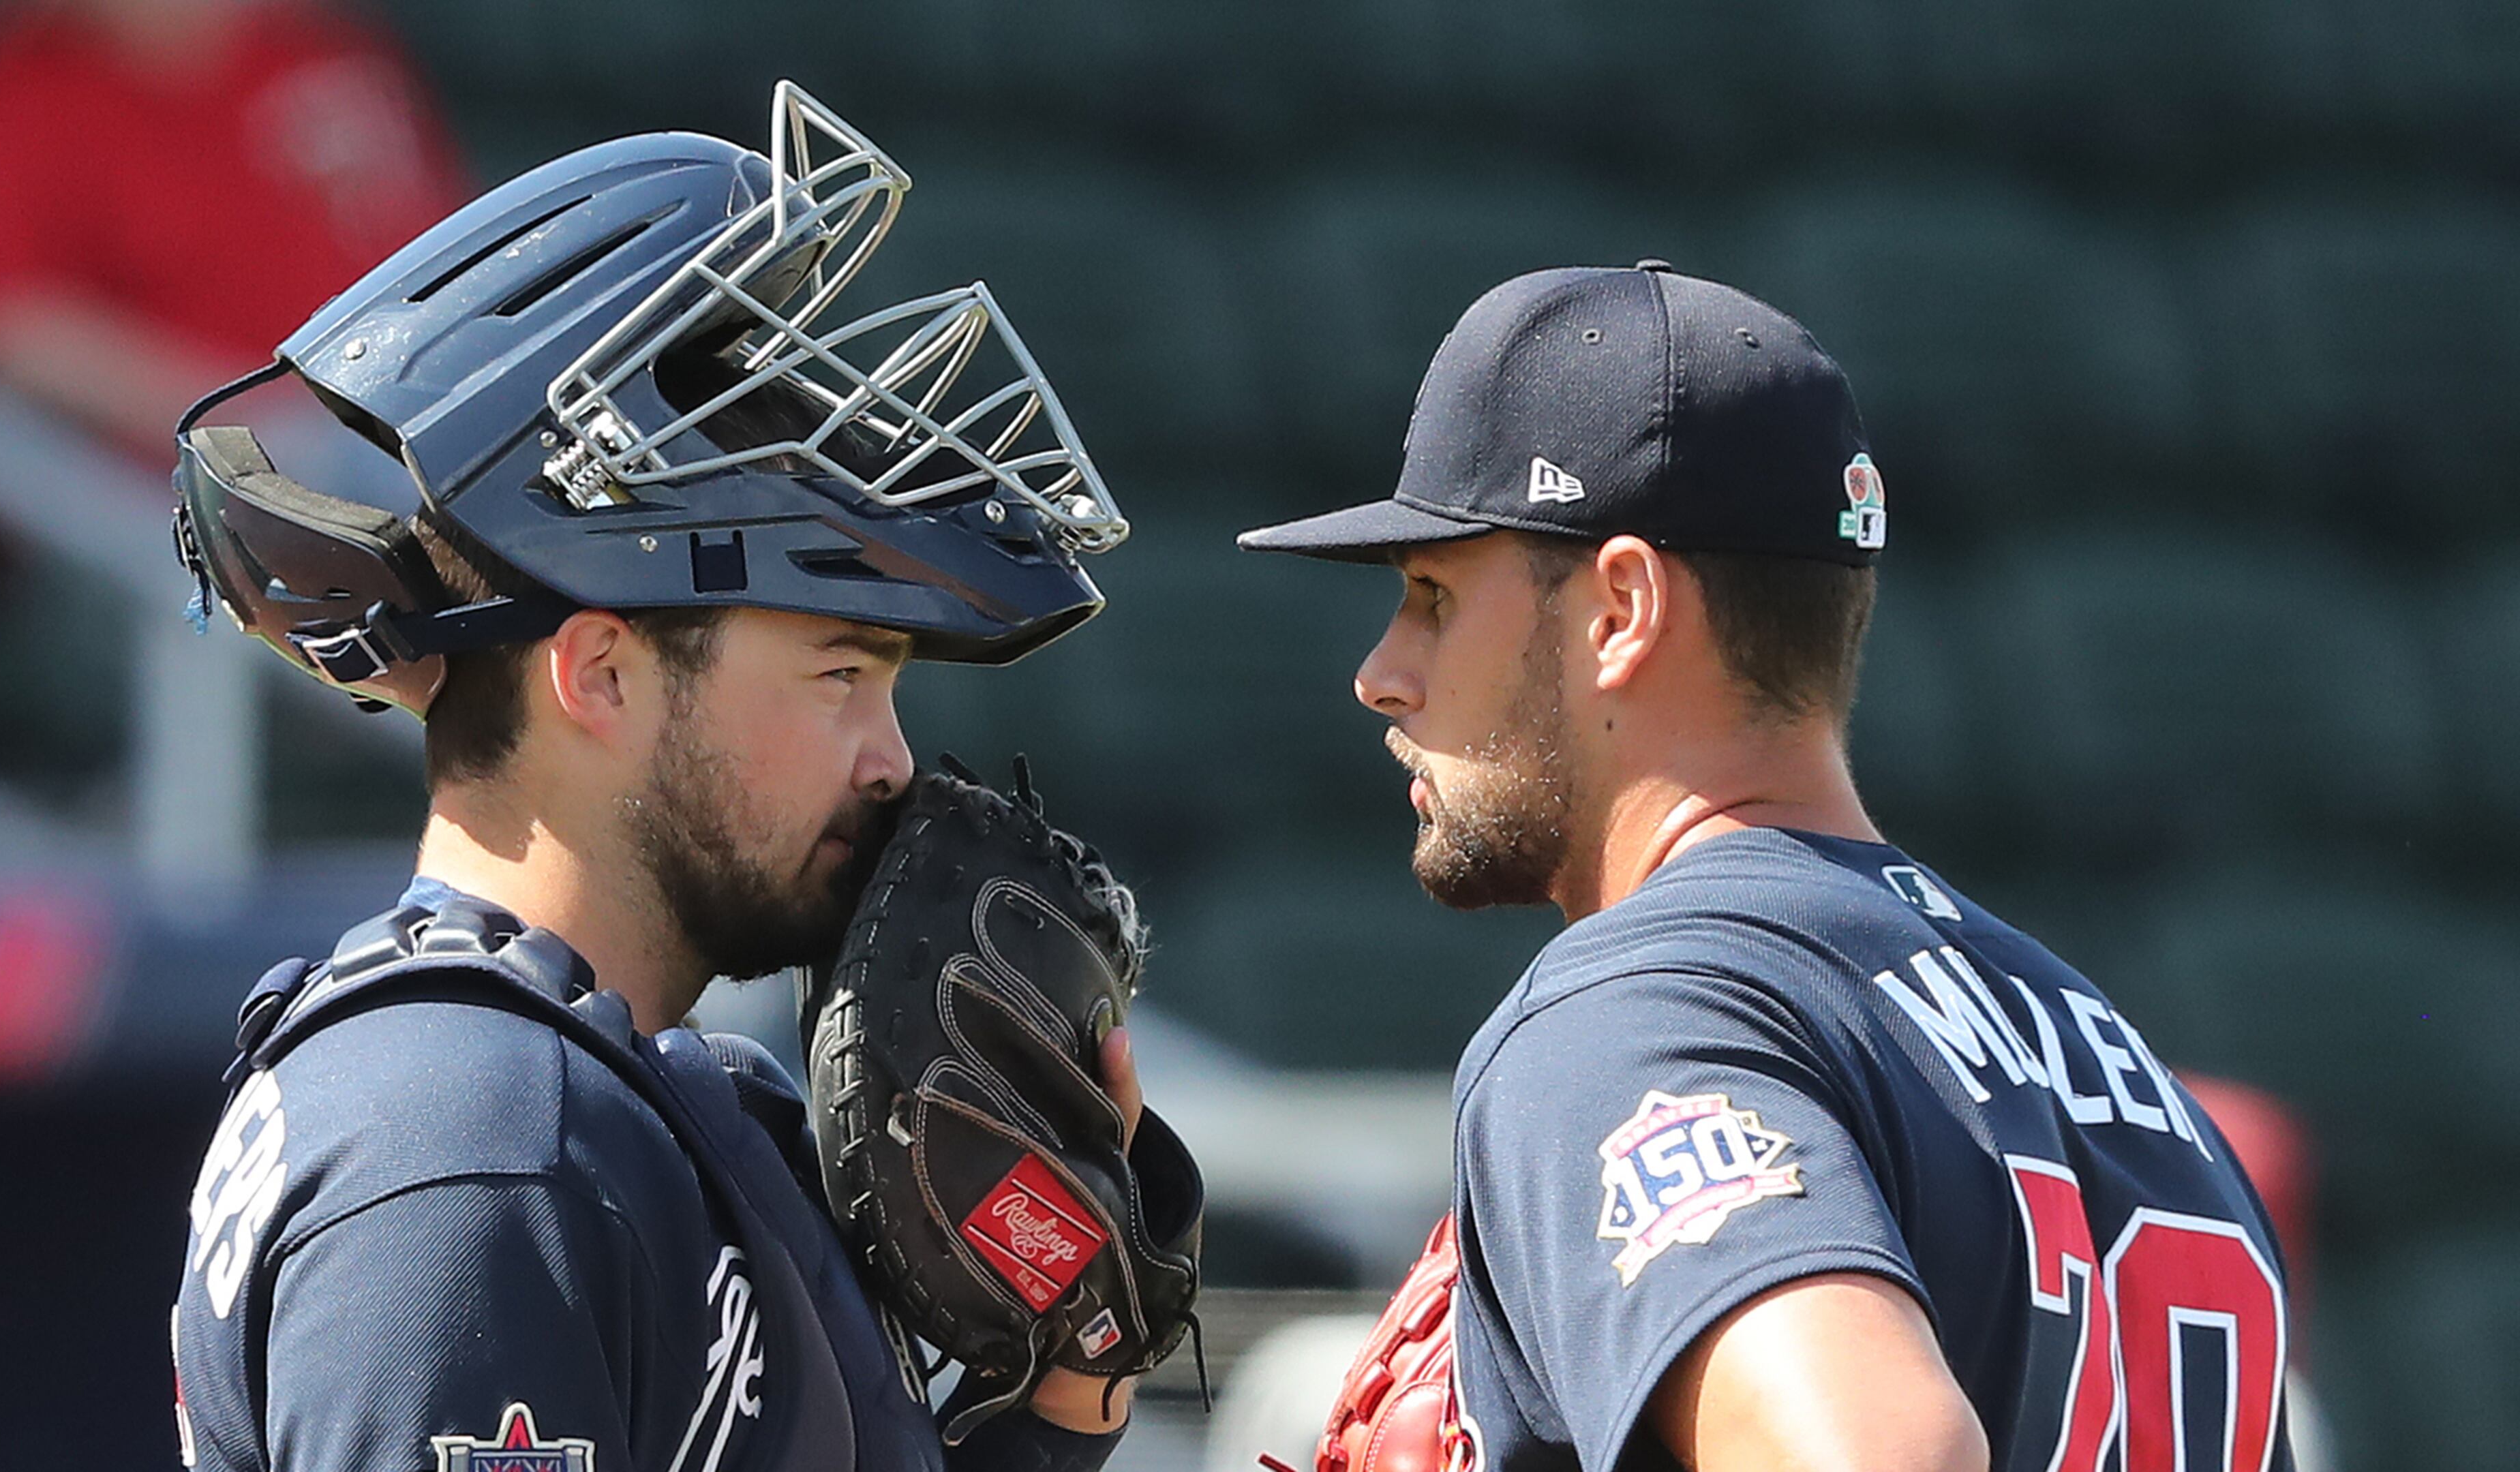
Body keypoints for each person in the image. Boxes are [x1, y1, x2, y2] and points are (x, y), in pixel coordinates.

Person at [169, 88, 1150, 1472]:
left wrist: (1061, 1399)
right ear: (604, 675)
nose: (891, 761)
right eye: (840, 672)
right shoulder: (476, 1150)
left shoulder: (598, 1098)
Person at [1239, 263, 2296, 1472]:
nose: (1382, 672)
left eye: (1433, 595)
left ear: (1622, 608)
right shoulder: (2123, 1074)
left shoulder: (1632, 1021)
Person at [0, 0, 465, 455]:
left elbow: (454, 258)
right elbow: (9, 328)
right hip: (171, 499)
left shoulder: (325, 51)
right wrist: (259, 422)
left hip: (416, 429)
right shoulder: (19, 91)